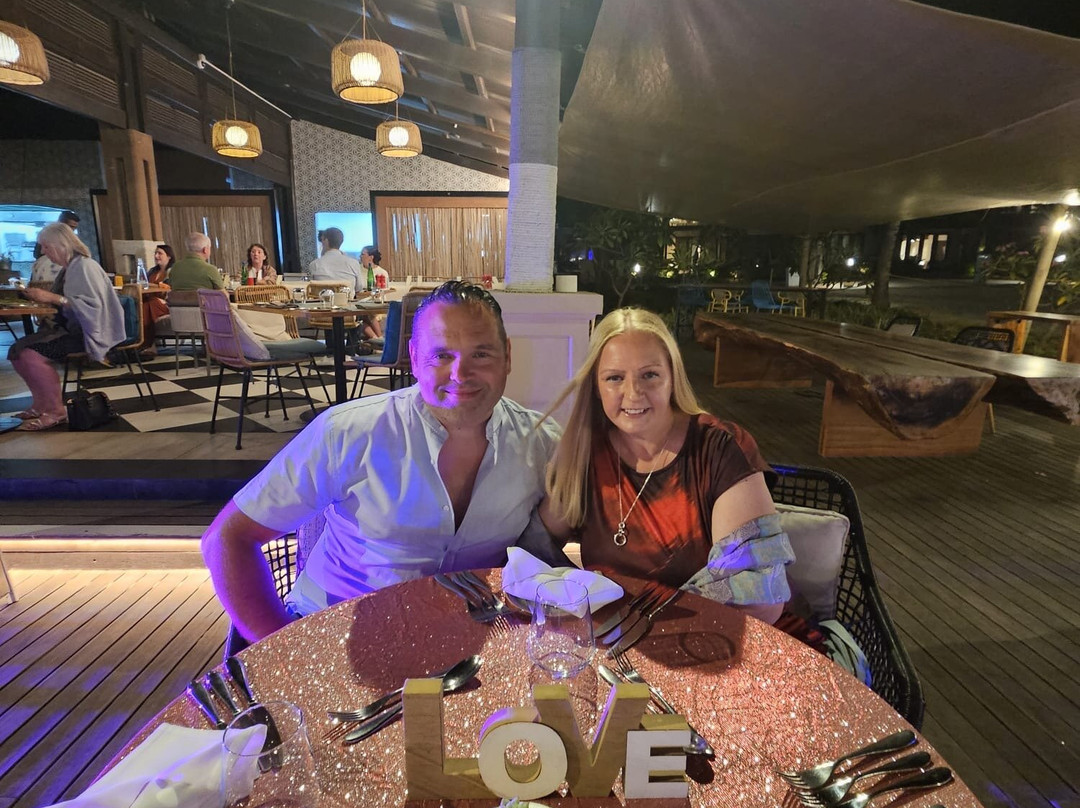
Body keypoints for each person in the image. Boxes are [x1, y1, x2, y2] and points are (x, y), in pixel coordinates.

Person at [201, 281, 562, 642]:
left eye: (481, 354)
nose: (460, 374)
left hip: (469, 638)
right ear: (415, 357)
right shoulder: (347, 432)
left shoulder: (542, 444)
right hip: (332, 633)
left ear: (507, 356)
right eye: (441, 356)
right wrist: (281, 649)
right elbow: (227, 537)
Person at [539, 308, 794, 625]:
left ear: (673, 378)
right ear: (596, 387)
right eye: (615, 378)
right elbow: (537, 547)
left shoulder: (719, 449)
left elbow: (760, 600)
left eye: (649, 375)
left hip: (721, 635)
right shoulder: (585, 452)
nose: (633, 393)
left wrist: (643, 624)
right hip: (614, 639)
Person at [8, 223, 125, 431]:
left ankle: (56, 411)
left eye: (46, 246)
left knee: (30, 355)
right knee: (16, 351)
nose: (44, 252)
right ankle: (40, 405)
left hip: (88, 332)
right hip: (71, 328)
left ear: (61, 244)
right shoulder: (70, 268)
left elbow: (93, 307)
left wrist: (51, 297)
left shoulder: (84, 266)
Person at [140, 245, 175, 356]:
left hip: (166, 303)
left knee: (150, 304)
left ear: (169, 256)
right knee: (141, 305)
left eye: (160, 253)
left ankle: (148, 344)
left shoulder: (173, 271)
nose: (156, 256)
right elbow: (143, 284)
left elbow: (170, 288)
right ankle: (139, 342)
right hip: (150, 300)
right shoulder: (152, 271)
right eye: (155, 253)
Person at [308, 227, 363, 295]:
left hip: (322, 300)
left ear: (326, 241)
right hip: (347, 300)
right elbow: (359, 288)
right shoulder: (354, 263)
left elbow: (311, 288)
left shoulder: (314, 264)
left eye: (322, 240)